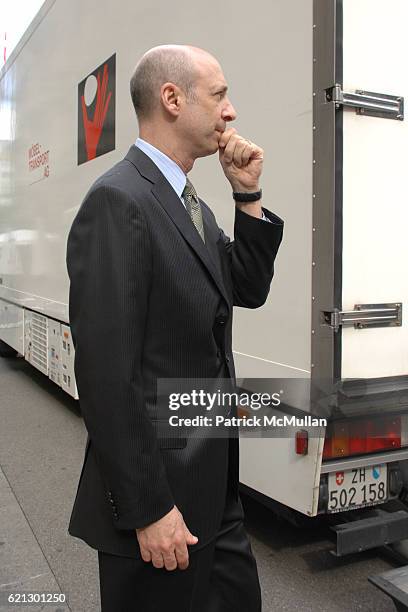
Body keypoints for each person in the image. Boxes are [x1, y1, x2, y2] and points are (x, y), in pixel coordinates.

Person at [66, 44, 284, 611]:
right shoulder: (119, 200)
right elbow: (106, 376)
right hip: (161, 511)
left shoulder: (192, 204)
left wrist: (247, 193)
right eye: (219, 96)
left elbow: (247, 290)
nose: (230, 112)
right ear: (171, 99)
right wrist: (148, 509)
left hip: (215, 496)